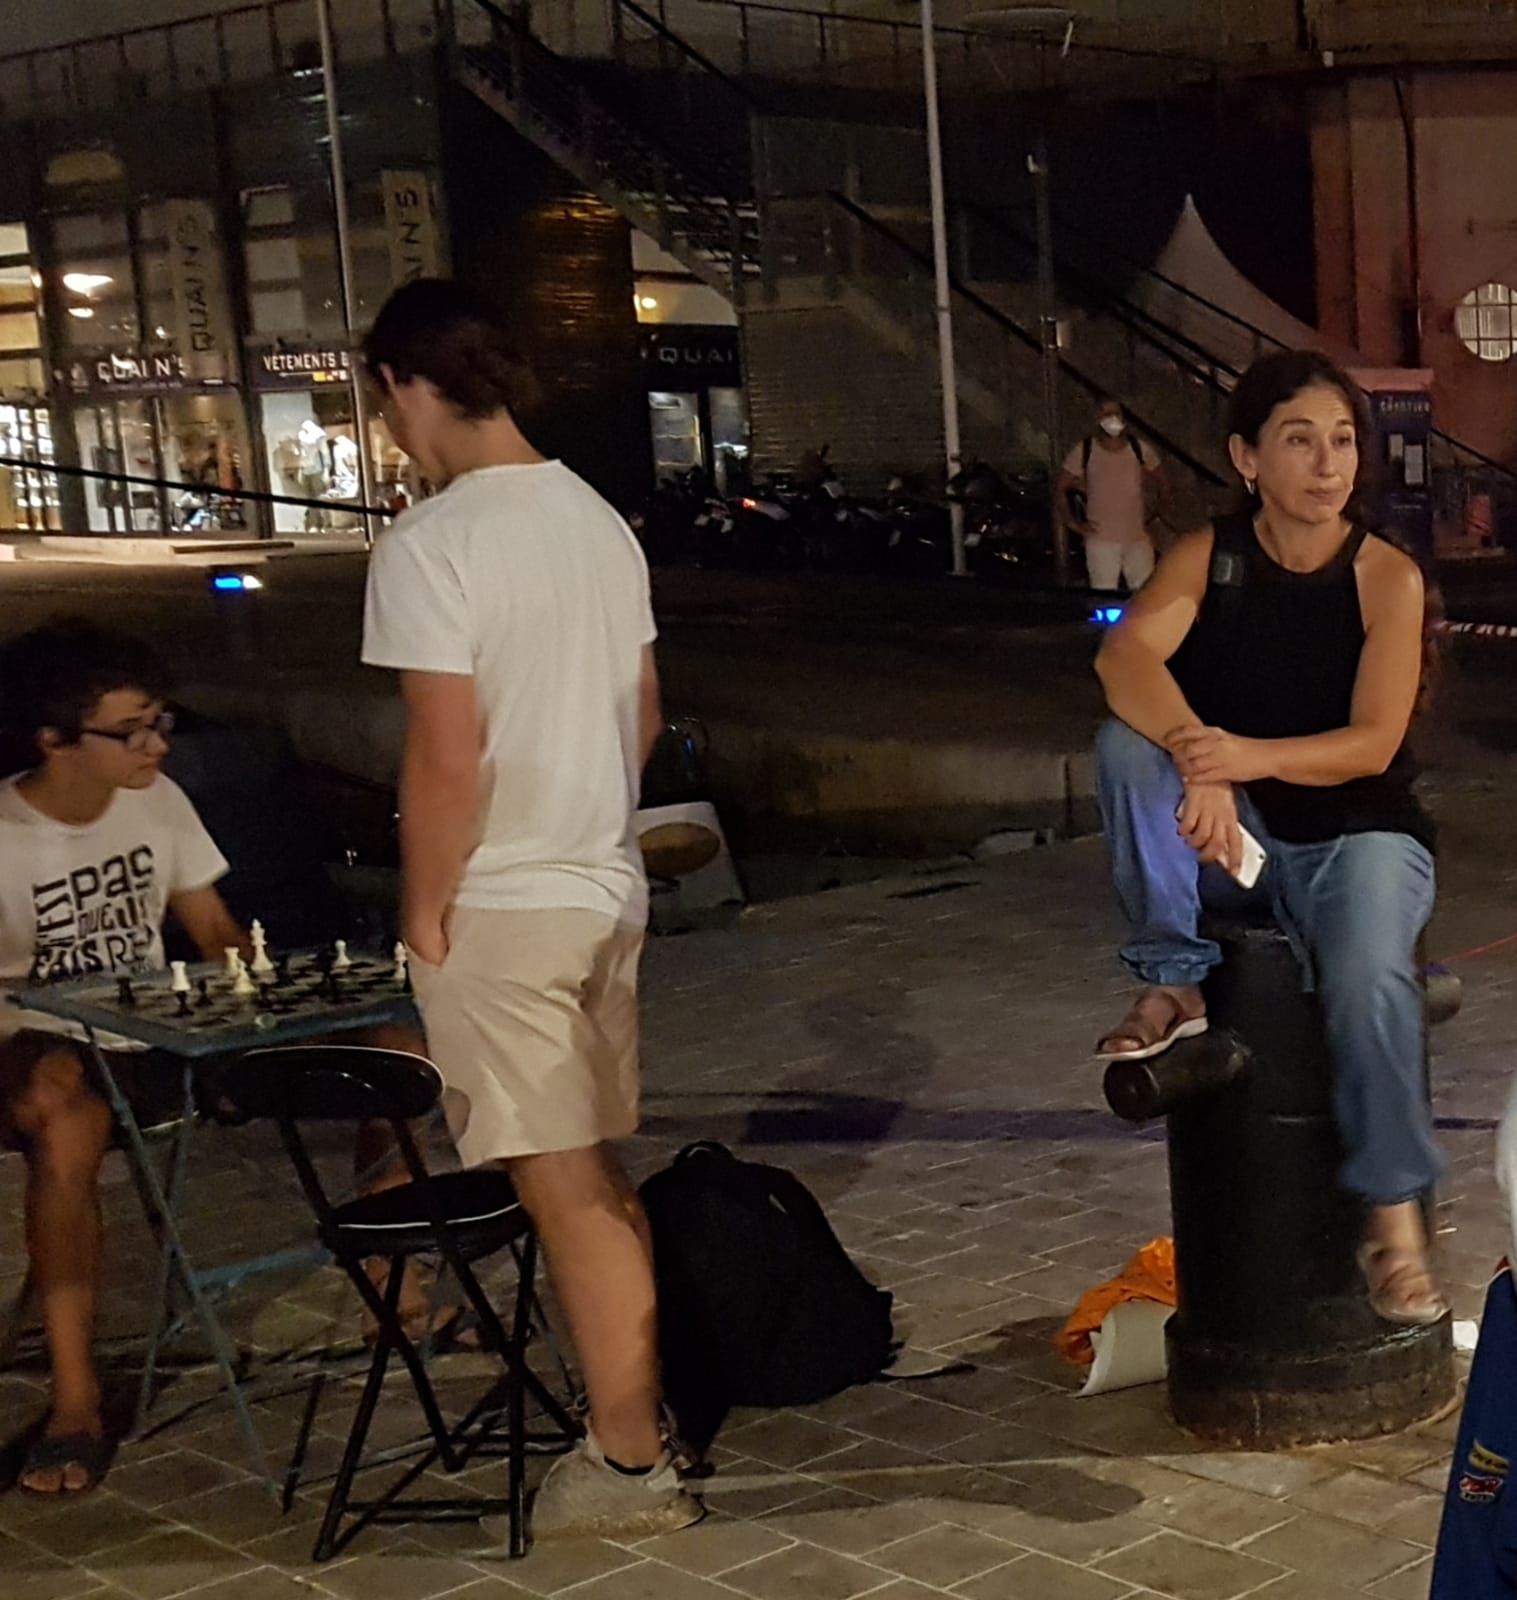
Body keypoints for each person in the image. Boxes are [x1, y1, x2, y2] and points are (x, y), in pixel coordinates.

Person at [360, 278, 701, 1542]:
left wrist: (423, 910)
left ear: (404, 382)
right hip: (602, 886)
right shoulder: (597, 520)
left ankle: (628, 1463)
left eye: (383, 403)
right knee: (594, 1179)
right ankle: (638, 1421)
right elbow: (642, 710)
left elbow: (445, 755)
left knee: (565, 1193)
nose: (390, 430)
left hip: (504, 901)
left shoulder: (428, 544)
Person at [0, 620, 430, 1495]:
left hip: (157, 1030)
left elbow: (215, 933)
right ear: (53, 740)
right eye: (130, 732)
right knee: (66, 1112)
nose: (156, 745)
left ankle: (394, 1283)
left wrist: (293, 1006)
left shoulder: (155, 799)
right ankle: (75, 1402)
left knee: (396, 1054)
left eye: (159, 722)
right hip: (35, 1046)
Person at [1090, 350, 1446, 1327]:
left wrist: (1237, 757)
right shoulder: (1210, 557)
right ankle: (1171, 975)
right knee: (1123, 746)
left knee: (1370, 980)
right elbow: (1123, 657)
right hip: (1234, 843)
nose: (1326, 464)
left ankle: (1394, 1223)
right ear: (1246, 458)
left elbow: (1371, 745)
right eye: (1298, 440)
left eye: (1341, 441)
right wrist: (1197, 761)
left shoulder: (1383, 575)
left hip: (1356, 839)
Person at [1056, 396, 1166, 593]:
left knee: (1144, 596)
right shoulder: (1085, 450)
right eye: (1106, 413)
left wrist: (1154, 515)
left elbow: (1163, 482)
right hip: (1101, 541)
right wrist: (1073, 524)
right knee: (1103, 595)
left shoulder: (1139, 449)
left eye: (1116, 413)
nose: (1112, 418)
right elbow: (1060, 489)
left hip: (1137, 540)